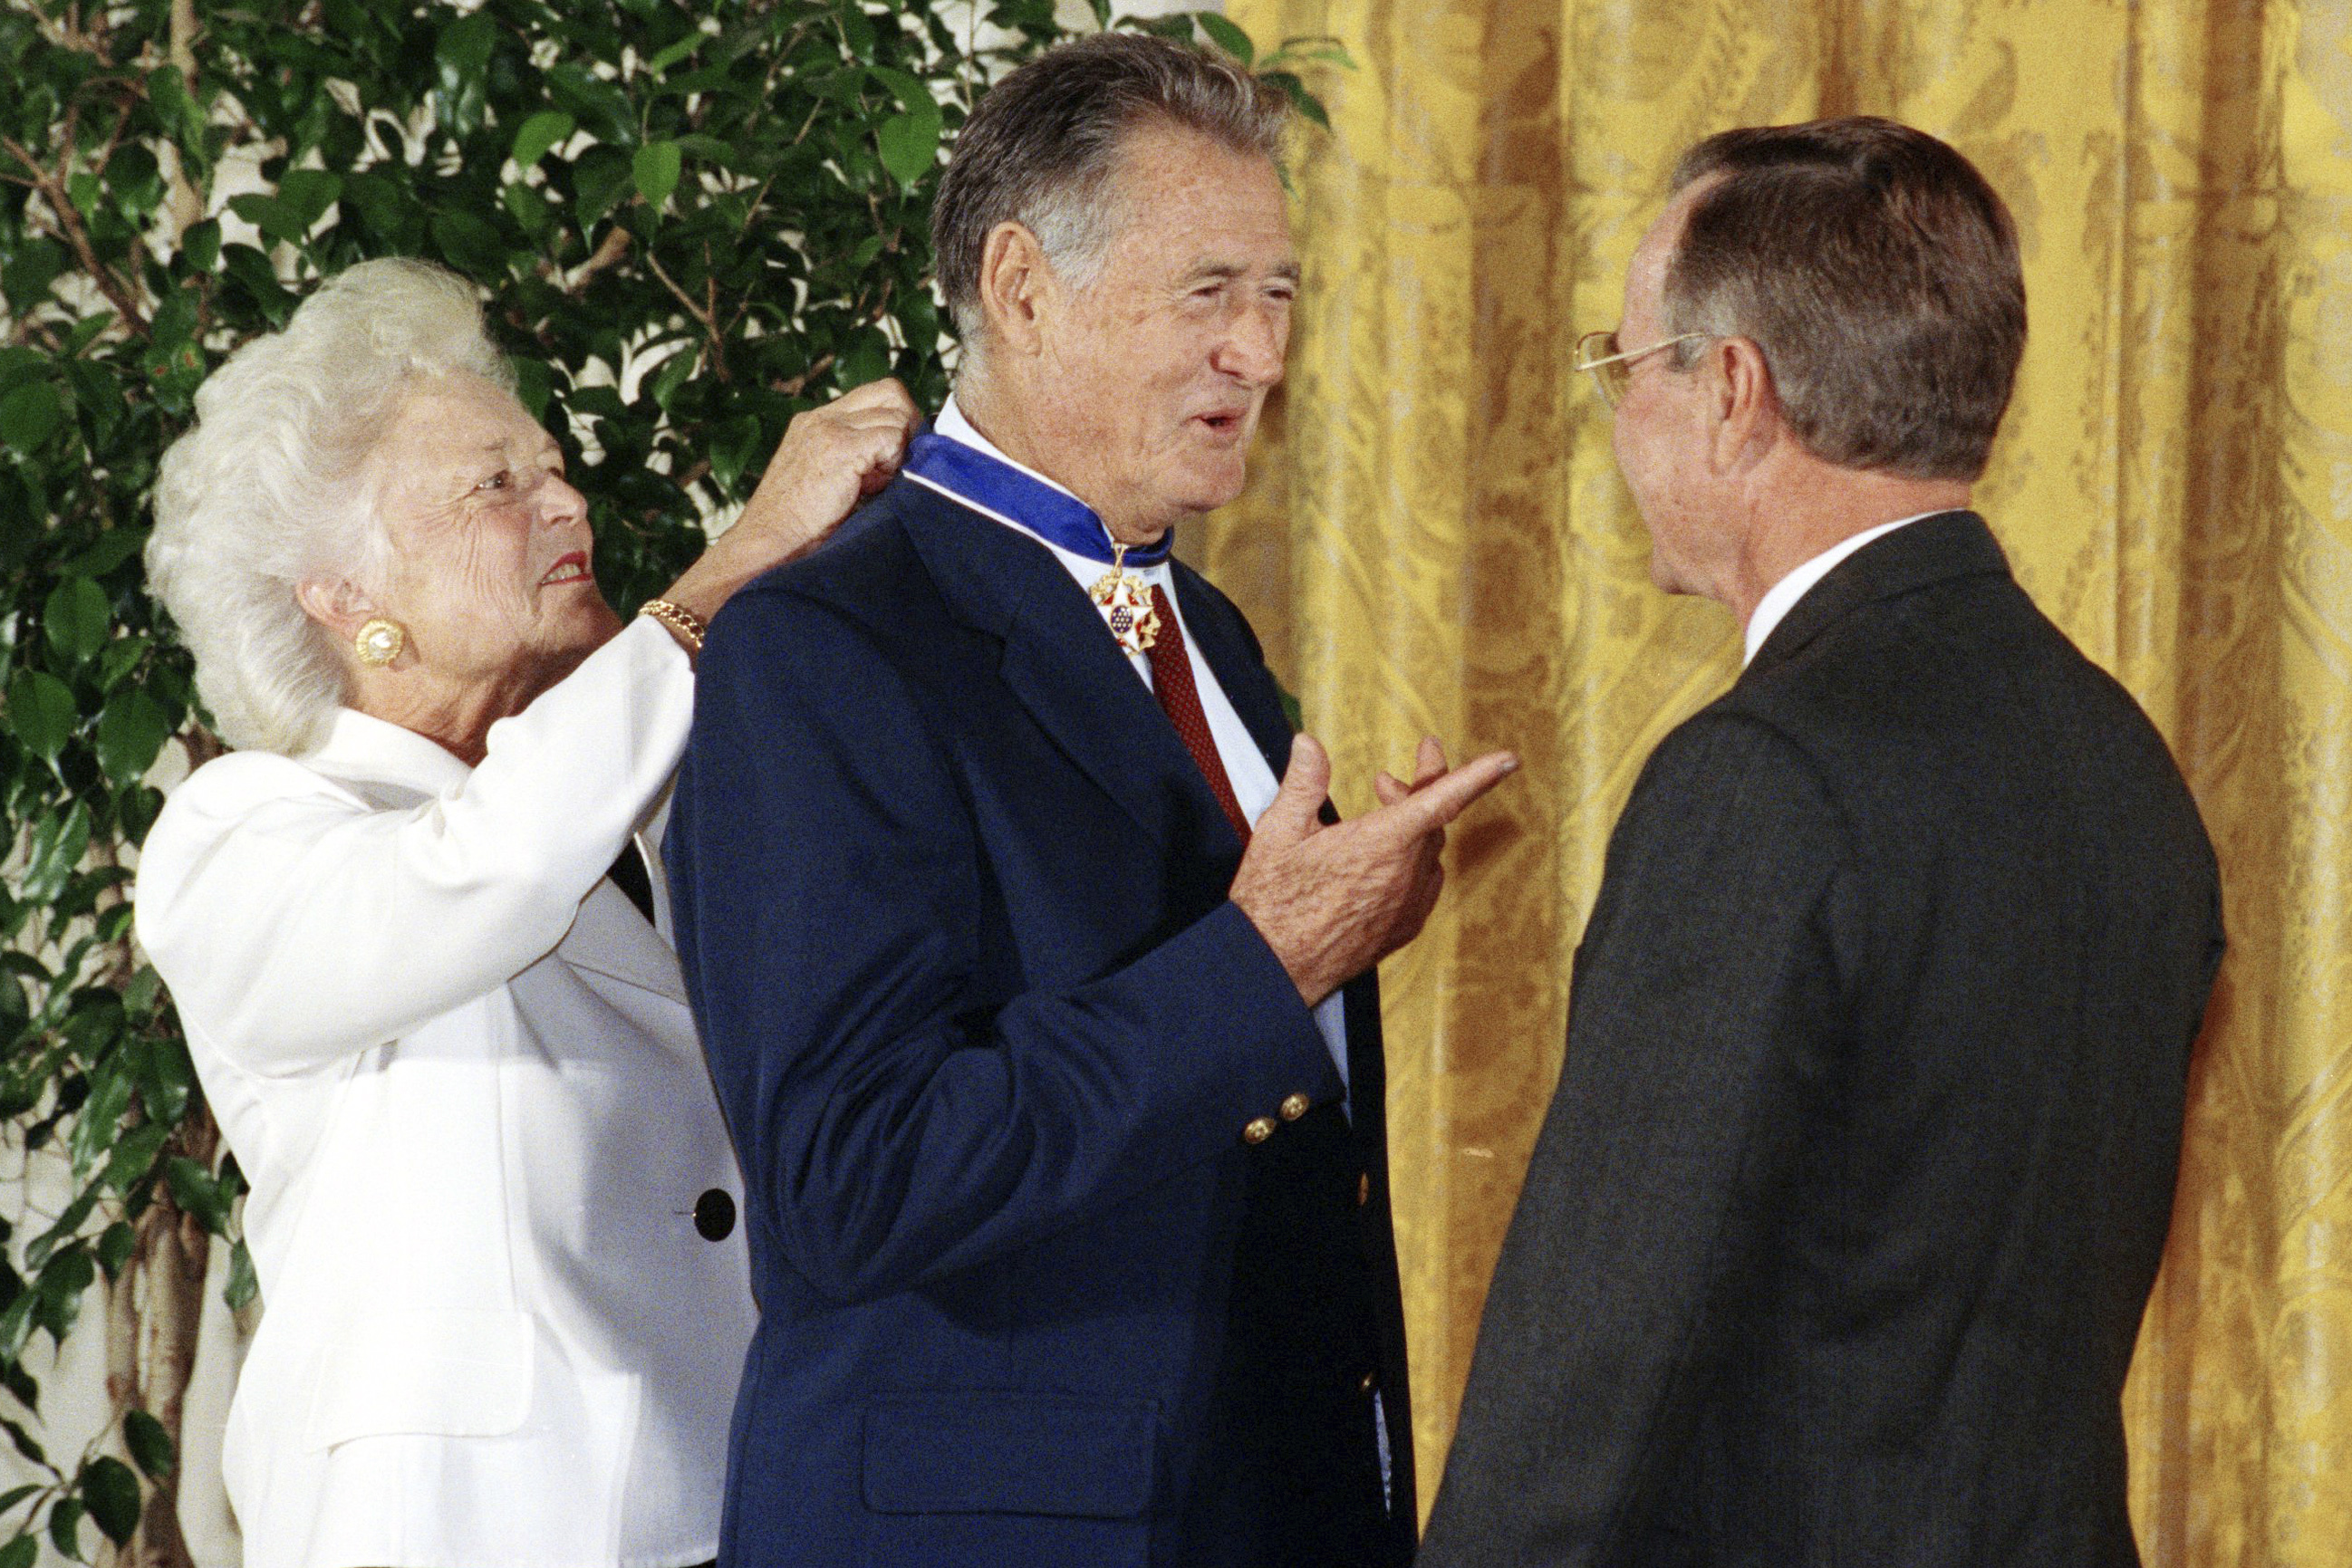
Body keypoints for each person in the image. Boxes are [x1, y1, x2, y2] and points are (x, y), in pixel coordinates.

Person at [664, 34, 1516, 1568]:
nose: (1259, 355)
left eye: (1278, 299)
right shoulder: (822, 646)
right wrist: (1269, 966)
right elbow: (845, 1178)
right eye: (1210, 294)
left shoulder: (1218, 641)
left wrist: (1333, 932)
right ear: (1020, 285)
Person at [1418, 118, 2224, 1568]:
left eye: (1622, 367)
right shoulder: (2122, 762)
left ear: (1733, 392)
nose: (1614, 424)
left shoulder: (1759, 783)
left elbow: (1586, 1385)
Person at [131, 257, 917, 1568]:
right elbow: (485, 872)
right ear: (344, 595)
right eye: (497, 484)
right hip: (458, 1532)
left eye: (550, 466)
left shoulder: (636, 791)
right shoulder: (239, 839)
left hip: (727, 1496)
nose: (565, 501)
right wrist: (745, 557)